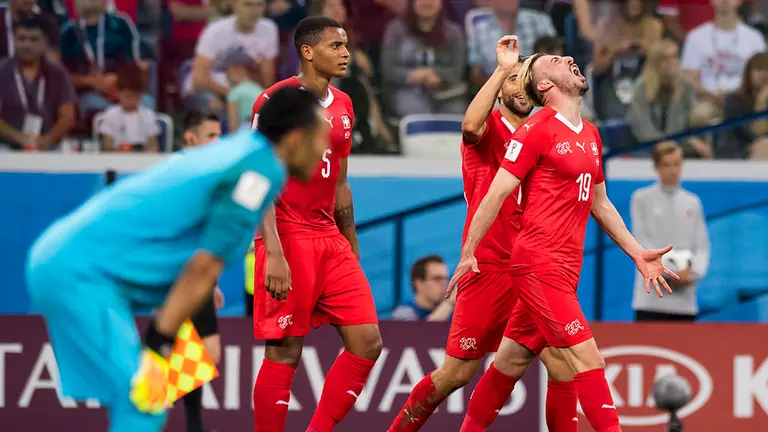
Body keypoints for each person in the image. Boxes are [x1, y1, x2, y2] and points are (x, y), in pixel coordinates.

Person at [24, 86, 328, 432]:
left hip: (81, 269)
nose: (325, 149)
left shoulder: (245, 154)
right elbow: (204, 265)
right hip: (80, 274)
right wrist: (158, 344)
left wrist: (161, 339)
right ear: (294, 139)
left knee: (145, 396)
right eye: (320, 137)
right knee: (144, 399)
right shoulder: (260, 169)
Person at [449, 52, 679, 432]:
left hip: (566, 267)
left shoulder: (590, 133)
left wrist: (637, 252)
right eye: (556, 60)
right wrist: (469, 251)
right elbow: (495, 194)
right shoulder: (536, 129)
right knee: (588, 360)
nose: (570, 58)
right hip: (539, 265)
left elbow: (600, 204)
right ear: (543, 85)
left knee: (510, 362)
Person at [388, 36, 575, 432]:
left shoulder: (546, 133)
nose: (518, 88)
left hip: (533, 268)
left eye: (525, 81)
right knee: (456, 373)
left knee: (562, 365)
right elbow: (470, 125)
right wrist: (502, 70)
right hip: (487, 266)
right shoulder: (487, 128)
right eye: (513, 82)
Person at [250, 16, 383, 432]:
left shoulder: (344, 105)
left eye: (346, 46)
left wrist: (350, 241)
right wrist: (272, 250)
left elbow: (341, 182)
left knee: (367, 342)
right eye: (335, 46)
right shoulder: (276, 102)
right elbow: (256, 180)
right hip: (287, 235)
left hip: (330, 238)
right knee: (285, 351)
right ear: (307, 52)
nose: (346, 54)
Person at [176, 109, 225, 432]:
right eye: (210, 136)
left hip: (199, 275)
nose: (217, 143)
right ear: (189, 138)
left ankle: (191, 423)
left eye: (220, 137)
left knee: (206, 352)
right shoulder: (179, 174)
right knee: (190, 349)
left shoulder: (208, 176)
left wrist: (212, 280)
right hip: (177, 274)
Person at [632, 141, 710, 321]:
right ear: (657, 167)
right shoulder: (641, 198)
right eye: (667, 165)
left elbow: (702, 245)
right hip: (650, 299)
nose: (673, 170)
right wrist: (671, 271)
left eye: (677, 164)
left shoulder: (693, 202)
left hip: (685, 302)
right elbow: (642, 241)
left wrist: (693, 272)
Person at [98, 63, 160, 152]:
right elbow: (106, 147)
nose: (131, 100)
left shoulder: (148, 115)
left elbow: (153, 147)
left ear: (141, 95)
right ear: (118, 93)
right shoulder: (110, 114)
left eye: (136, 97)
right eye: (128, 96)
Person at [390, 254, 453, 321]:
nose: (445, 284)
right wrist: (449, 302)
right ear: (419, 283)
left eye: (446, 279)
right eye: (437, 279)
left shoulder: (451, 312)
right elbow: (422, 331)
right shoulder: (404, 311)